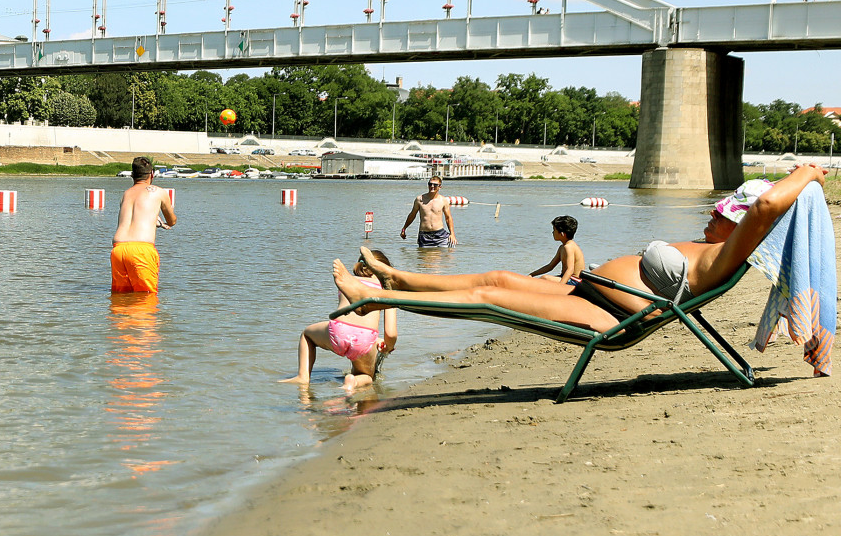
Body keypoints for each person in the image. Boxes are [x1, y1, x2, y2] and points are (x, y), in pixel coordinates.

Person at [334, 165, 829, 335]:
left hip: (610, 316)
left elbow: (766, 204)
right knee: (501, 277)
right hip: (594, 296)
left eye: (719, 212)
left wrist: (808, 174)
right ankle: (398, 280)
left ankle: (381, 299)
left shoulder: (726, 255)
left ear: (738, 224)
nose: (709, 215)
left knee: (488, 298)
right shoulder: (708, 249)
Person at [280, 250, 398, 393]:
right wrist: (388, 346)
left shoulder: (348, 282)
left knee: (307, 335)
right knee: (367, 375)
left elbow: (352, 321)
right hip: (364, 338)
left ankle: (303, 377)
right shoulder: (387, 289)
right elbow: (391, 334)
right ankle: (353, 381)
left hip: (338, 331)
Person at [112, 156, 177, 293]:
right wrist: (160, 222)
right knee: (146, 297)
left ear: (132, 175)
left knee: (120, 298)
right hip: (141, 250)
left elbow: (132, 218)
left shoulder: (126, 194)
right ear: (152, 174)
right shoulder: (159, 192)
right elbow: (172, 221)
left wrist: (155, 221)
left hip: (119, 249)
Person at [400, 175, 456, 247]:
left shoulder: (443, 200)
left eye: (435, 185)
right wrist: (404, 228)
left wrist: (452, 234)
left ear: (440, 187)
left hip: (440, 235)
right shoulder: (419, 199)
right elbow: (412, 215)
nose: (432, 186)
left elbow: (448, 218)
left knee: (448, 255)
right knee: (423, 257)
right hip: (424, 236)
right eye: (430, 184)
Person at [529, 215, 586, 284]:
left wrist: (560, 286)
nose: (552, 232)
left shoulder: (569, 247)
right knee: (541, 279)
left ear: (562, 234)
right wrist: (532, 274)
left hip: (575, 281)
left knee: (545, 278)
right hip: (566, 277)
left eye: (554, 230)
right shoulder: (562, 247)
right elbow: (550, 266)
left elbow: (570, 270)